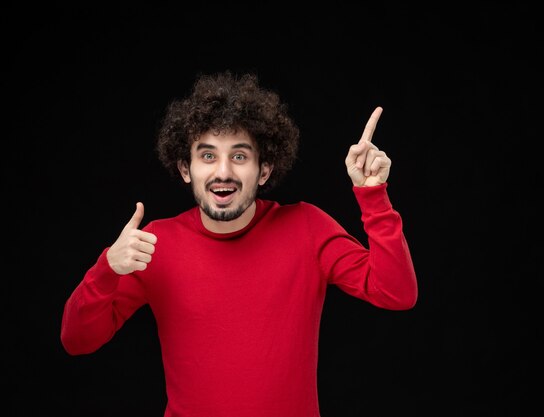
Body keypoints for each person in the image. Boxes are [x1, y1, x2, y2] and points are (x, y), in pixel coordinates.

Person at [60, 71, 418, 417]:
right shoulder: (154, 244)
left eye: (240, 156)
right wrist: (107, 268)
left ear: (264, 170)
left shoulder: (307, 228)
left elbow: (396, 292)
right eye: (208, 155)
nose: (223, 172)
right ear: (186, 169)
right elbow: (77, 340)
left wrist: (373, 196)